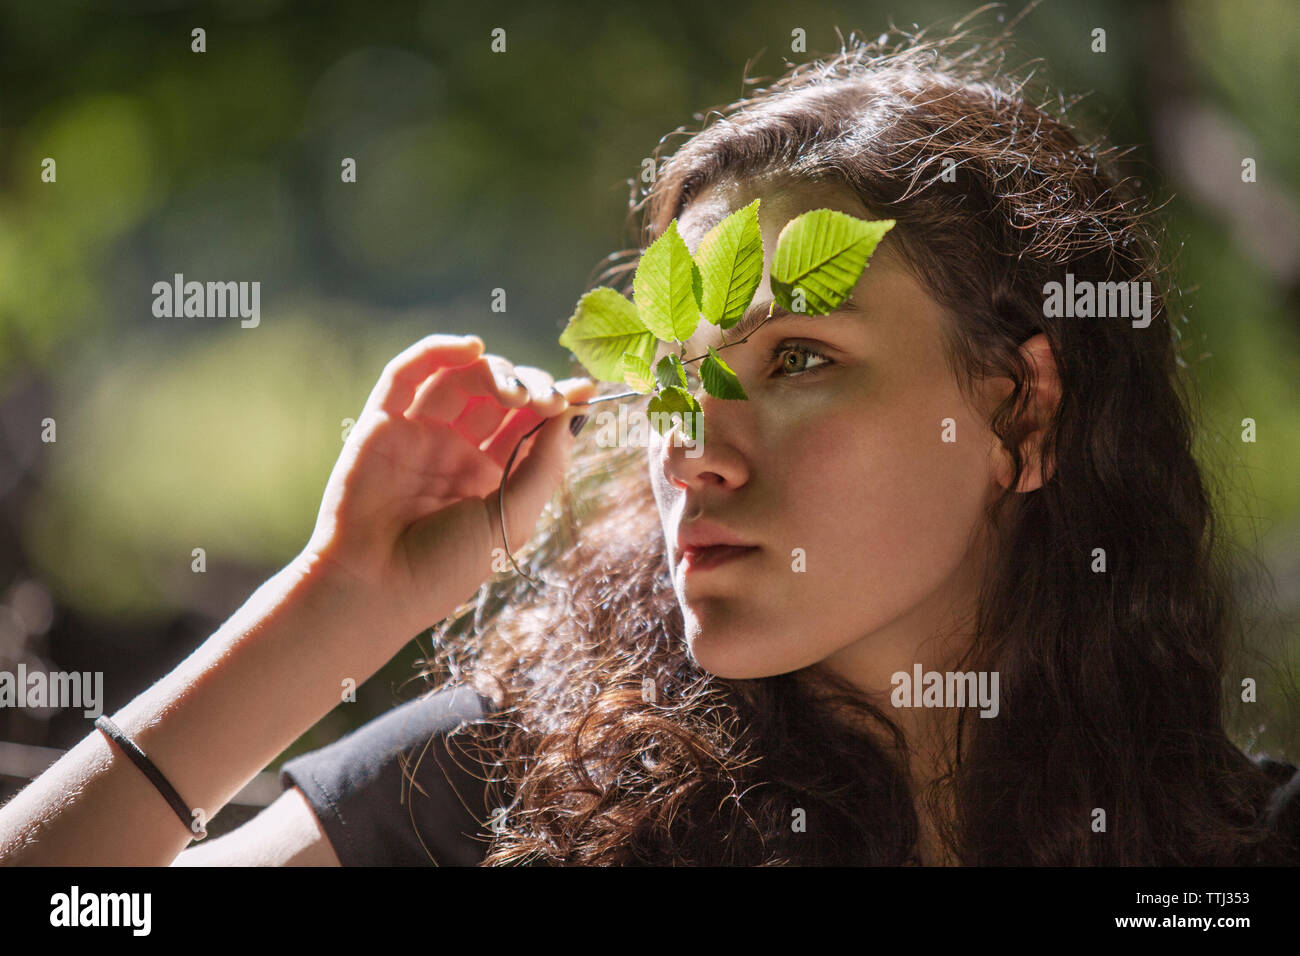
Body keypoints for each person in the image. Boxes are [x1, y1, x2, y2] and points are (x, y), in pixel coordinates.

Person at [3, 19, 1298, 868]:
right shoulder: (510, 798)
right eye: (672, 380)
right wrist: (335, 608)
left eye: (798, 359)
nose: (691, 451)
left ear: (1022, 412)